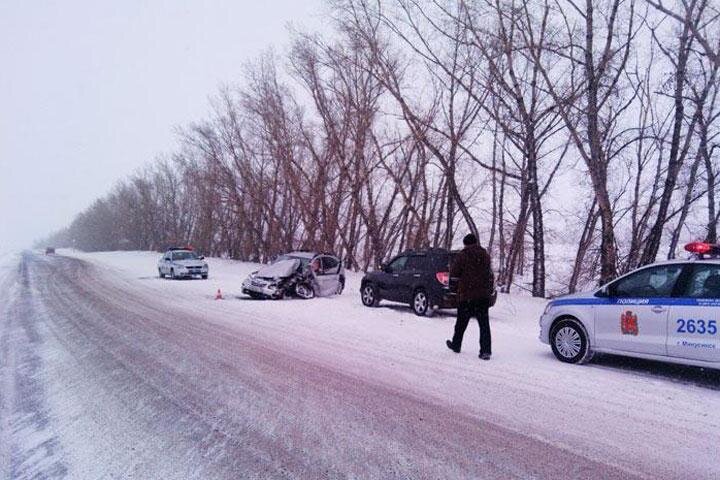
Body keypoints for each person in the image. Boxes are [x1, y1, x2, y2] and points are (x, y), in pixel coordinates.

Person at [446, 233, 494, 360]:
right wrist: (488, 292)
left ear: (466, 243)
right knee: (484, 325)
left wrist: (453, 291)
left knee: (461, 323)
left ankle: (456, 344)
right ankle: (486, 351)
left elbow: (455, 274)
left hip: (466, 296)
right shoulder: (485, 256)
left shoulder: (463, 256)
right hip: (482, 297)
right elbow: (490, 276)